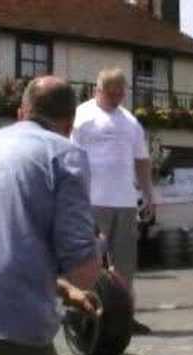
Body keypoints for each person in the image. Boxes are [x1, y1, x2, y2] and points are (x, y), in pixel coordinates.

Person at [0, 76, 100, 355]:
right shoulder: (65, 155)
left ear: (20, 114)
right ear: (70, 125)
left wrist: (64, 291)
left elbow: (3, 248)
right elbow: (83, 273)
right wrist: (99, 246)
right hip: (10, 327)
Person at [71, 67, 154, 332]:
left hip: (126, 203)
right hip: (91, 202)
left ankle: (125, 319)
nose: (117, 99)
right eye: (112, 94)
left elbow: (141, 160)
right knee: (88, 263)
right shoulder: (81, 116)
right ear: (98, 90)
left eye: (121, 94)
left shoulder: (130, 121)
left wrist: (149, 195)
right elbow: (68, 157)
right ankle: (82, 317)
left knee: (125, 266)